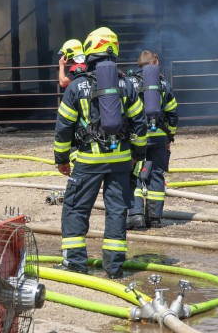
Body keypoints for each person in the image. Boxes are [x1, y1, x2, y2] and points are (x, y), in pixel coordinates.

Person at [54, 27, 147, 279]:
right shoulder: (127, 84)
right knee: (117, 210)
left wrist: (61, 159)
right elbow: (140, 123)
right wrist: (137, 154)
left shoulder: (77, 86)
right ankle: (114, 267)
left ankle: (74, 263)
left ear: (90, 51)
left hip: (88, 160)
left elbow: (63, 127)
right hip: (121, 161)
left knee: (75, 208)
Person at [126, 51, 178, 230]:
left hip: (137, 138)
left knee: (135, 174)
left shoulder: (129, 82)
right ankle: (155, 218)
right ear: (155, 63)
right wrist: (169, 136)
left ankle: (136, 216)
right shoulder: (163, 84)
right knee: (156, 175)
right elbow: (172, 113)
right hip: (159, 138)